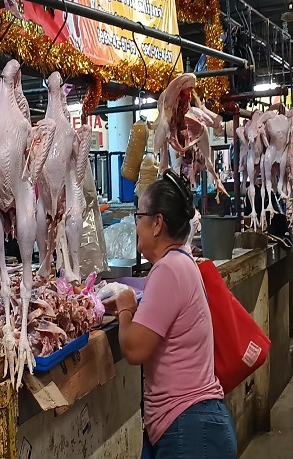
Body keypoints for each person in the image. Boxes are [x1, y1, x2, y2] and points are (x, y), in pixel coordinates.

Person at [99, 169, 236, 459]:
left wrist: (126, 305)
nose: (136, 225)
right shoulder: (181, 262)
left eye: (139, 216)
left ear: (157, 224)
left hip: (191, 428)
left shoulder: (169, 269)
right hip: (189, 424)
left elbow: (135, 349)